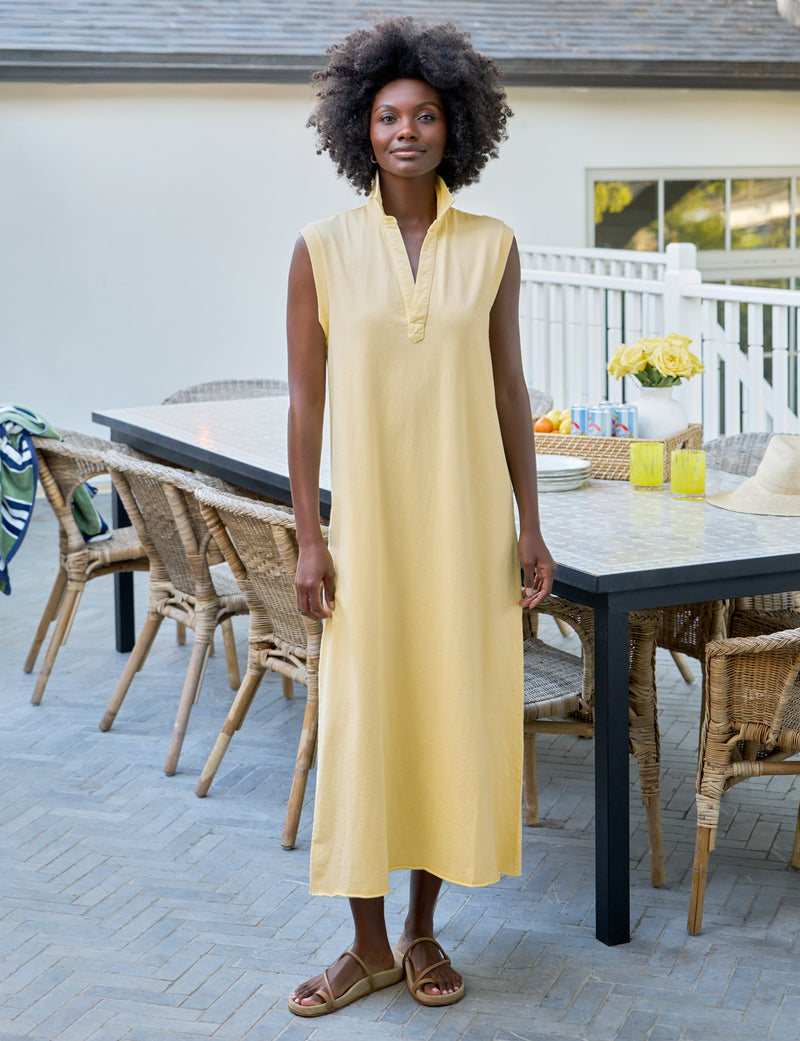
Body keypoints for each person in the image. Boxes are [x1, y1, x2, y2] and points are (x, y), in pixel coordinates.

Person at [286, 17, 556, 1018]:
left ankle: (422, 930)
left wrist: (529, 525)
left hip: (466, 523)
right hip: (367, 530)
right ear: (361, 128)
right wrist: (309, 536)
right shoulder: (320, 249)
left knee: (447, 714)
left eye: (426, 115)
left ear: (456, 128)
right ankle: (363, 946)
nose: (407, 130)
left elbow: (506, 391)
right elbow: (304, 403)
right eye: (389, 115)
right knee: (363, 723)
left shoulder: (491, 248)